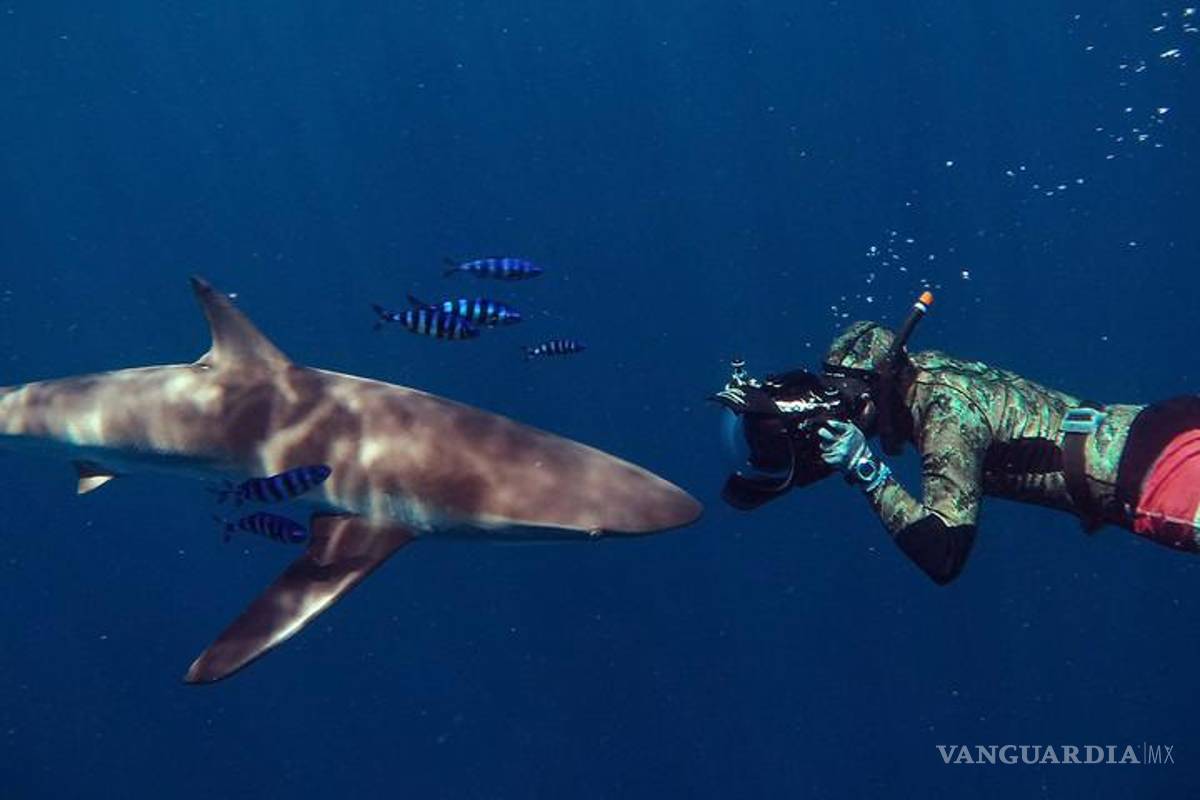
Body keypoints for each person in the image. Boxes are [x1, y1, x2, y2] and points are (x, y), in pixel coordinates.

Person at [712, 296, 1200, 585]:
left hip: (1153, 480)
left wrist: (868, 471)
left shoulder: (945, 415)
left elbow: (944, 554)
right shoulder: (928, 368)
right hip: (1159, 423)